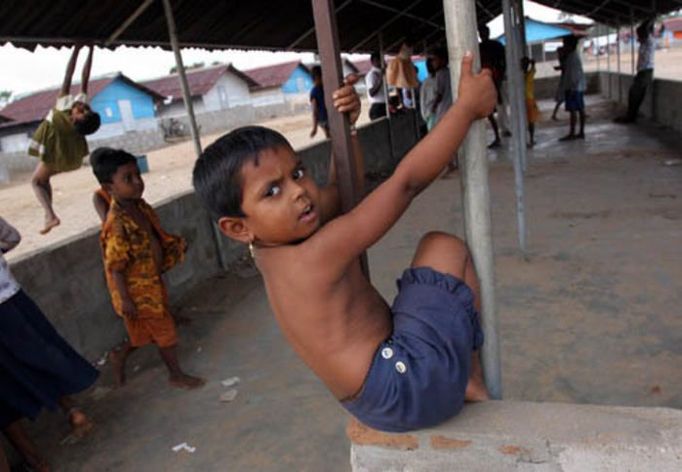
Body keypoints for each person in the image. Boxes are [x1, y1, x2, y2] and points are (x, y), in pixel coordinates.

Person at [192, 53, 496, 433]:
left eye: (298, 173)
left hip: (372, 401)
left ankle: (461, 375)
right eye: (272, 191)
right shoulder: (314, 256)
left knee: (435, 258)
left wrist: (346, 129)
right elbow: (406, 183)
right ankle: (468, 374)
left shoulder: (271, 249)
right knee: (443, 247)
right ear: (237, 228)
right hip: (403, 386)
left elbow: (342, 191)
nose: (299, 192)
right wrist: (465, 109)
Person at [90, 148, 204, 390]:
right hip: (136, 290)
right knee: (164, 331)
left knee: (146, 331)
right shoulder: (117, 224)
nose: (137, 182)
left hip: (151, 280)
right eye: (128, 179)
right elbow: (116, 267)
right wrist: (126, 299)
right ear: (109, 188)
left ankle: (119, 356)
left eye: (137, 175)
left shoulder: (140, 206)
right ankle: (176, 375)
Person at [0, 216, 98, 471]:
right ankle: (73, 411)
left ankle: (35, 459)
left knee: (4, 386)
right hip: (13, 301)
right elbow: (12, 238)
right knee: (42, 355)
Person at [28, 44, 101, 235]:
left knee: (36, 182)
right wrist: (91, 50)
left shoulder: (63, 107)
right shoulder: (78, 109)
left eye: (82, 112)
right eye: (86, 109)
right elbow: (85, 77)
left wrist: (77, 50)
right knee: (45, 180)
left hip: (56, 154)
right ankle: (49, 216)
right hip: (68, 157)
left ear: (75, 119)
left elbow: (69, 76)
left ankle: (50, 215)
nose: (83, 108)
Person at [615, 19, 656, 124]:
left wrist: (652, 18)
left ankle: (630, 117)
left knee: (634, 93)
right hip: (642, 71)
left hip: (645, 71)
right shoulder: (644, 41)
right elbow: (642, 30)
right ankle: (631, 116)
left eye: (640, 34)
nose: (638, 37)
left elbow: (644, 29)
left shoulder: (649, 40)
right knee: (636, 94)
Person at [429, 47, 458, 174]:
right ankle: (453, 161)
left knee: (443, 139)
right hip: (451, 107)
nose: (433, 63)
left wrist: (433, 107)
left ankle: (449, 163)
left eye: (435, 60)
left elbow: (439, 94)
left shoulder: (440, 74)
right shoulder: (450, 72)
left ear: (442, 60)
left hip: (443, 110)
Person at [478, 25, 507, 148]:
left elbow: (503, 62)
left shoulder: (493, 46)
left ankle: (501, 132)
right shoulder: (483, 47)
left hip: (494, 79)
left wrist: (500, 76)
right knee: (491, 109)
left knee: (498, 106)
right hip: (489, 80)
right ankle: (499, 134)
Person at [559, 36, 586, 141]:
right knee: (579, 109)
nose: (564, 46)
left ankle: (574, 133)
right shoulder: (572, 56)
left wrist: (572, 88)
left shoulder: (573, 57)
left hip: (574, 88)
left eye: (565, 44)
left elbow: (574, 75)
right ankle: (579, 132)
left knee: (575, 110)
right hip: (575, 87)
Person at [522, 57, 540, 147]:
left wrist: (532, 63)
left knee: (530, 121)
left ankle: (530, 139)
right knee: (530, 121)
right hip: (528, 99)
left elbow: (533, 68)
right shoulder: (527, 74)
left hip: (527, 99)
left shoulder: (527, 74)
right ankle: (530, 139)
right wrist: (532, 63)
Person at [365, 52, 387, 121]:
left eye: (383, 60)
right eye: (379, 60)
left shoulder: (380, 73)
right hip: (378, 108)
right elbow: (372, 93)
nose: (382, 62)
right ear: (373, 62)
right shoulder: (371, 75)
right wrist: (380, 79)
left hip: (384, 105)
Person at [309, 66, 330, 139]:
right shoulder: (316, 91)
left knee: (331, 137)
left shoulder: (315, 91)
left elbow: (314, 111)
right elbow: (315, 111)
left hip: (324, 119)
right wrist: (314, 128)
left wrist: (315, 128)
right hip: (326, 119)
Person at [419, 58, 438, 132]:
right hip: (432, 114)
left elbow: (422, 100)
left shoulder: (426, 82)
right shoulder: (427, 82)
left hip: (431, 113)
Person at [551, 45, 568, 121]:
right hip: (565, 80)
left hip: (565, 79)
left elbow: (564, 67)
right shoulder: (563, 59)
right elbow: (564, 67)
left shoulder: (564, 58)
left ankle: (554, 114)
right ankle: (554, 114)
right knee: (561, 99)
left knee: (562, 99)